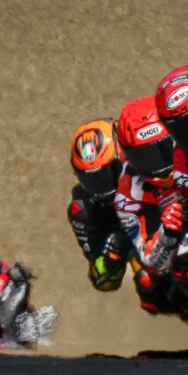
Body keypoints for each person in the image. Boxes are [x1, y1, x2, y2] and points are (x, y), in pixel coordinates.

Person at [67, 118, 130, 292]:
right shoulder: (82, 210)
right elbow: (101, 280)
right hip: (147, 255)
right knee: (146, 281)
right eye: (92, 180)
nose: (102, 188)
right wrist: (110, 259)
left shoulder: (147, 166)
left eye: (106, 175)